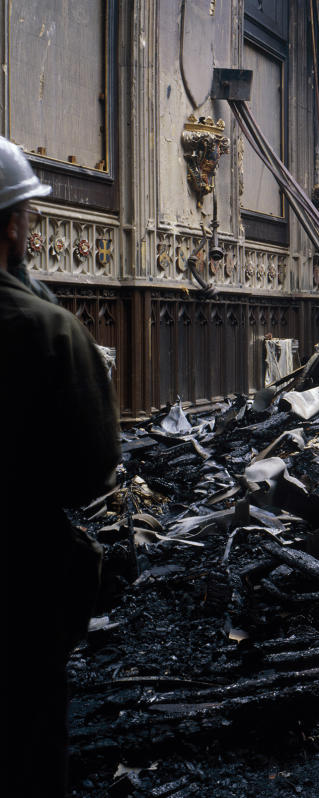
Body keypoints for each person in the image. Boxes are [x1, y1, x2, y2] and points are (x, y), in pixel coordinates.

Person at [0, 135, 120, 795]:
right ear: (14, 225)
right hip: (20, 582)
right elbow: (93, 471)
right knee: (28, 737)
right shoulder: (46, 330)